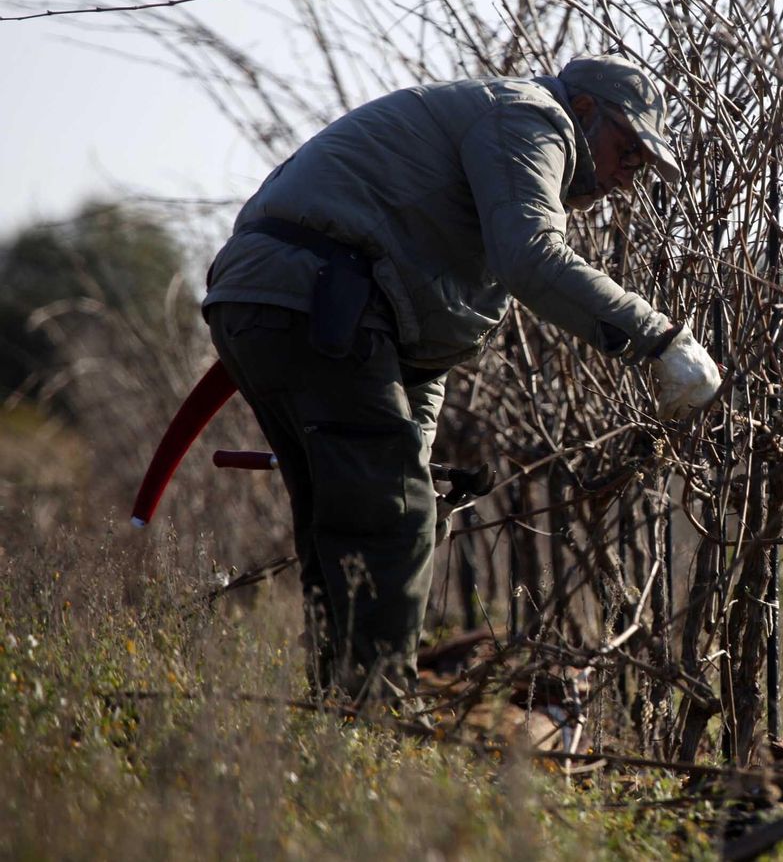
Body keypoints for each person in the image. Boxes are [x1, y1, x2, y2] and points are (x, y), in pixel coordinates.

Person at [201, 55, 721, 710]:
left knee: (355, 518)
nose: (628, 174)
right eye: (627, 148)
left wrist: (412, 455)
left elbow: (421, 347)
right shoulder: (532, 120)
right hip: (315, 299)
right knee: (391, 518)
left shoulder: (497, 157)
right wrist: (660, 339)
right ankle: (377, 720)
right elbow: (531, 258)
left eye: (642, 163)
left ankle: (340, 713)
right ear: (584, 111)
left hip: (275, 302)